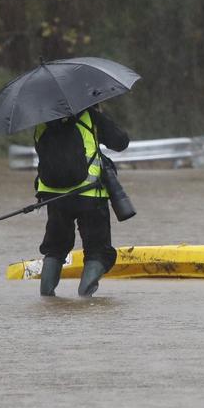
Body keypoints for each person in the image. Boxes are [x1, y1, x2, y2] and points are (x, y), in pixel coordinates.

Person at [33, 105, 130, 297]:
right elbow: (120, 142)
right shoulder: (89, 116)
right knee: (98, 250)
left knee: (55, 248)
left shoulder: (41, 123)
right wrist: (100, 115)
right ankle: (85, 298)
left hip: (54, 197)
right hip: (90, 194)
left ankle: (47, 298)